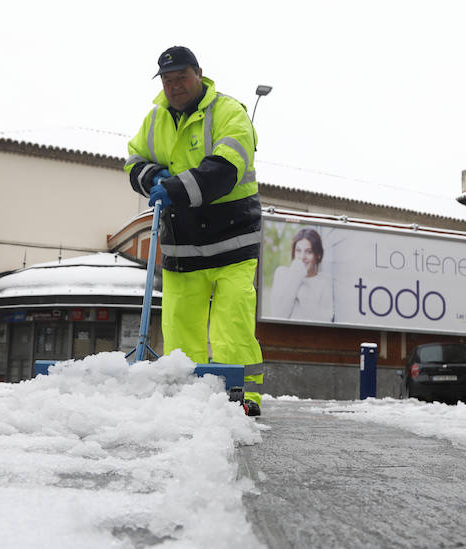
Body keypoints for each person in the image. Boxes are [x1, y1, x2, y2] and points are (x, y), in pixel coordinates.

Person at [125, 46, 264, 415]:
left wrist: (172, 189)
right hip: (182, 243)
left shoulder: (228, 111)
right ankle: (189, 397)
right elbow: (134, 160)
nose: (174, 86)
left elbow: (226, 167)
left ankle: (241, 396)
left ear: (199, 73)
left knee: (231, 321)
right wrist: (151, 175)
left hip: (232, 239)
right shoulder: (155, 119)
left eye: (181, 77)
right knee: (180, 324)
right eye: (168, 81)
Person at [269, 228, 333, 321]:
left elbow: (325, 321)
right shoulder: (281, 273)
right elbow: (278, 315)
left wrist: (303, 290)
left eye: (309, 252)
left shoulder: (324, 281)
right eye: (298, 250)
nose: (302, 257)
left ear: (318, 255)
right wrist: (295, 277)